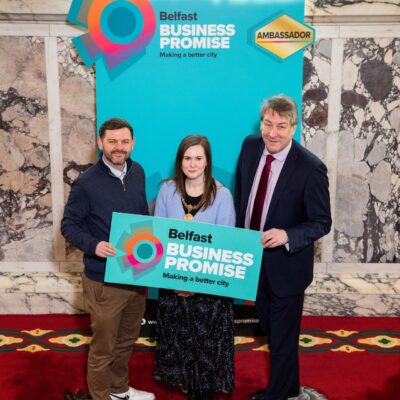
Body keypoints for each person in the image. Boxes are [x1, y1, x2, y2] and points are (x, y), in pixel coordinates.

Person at [234, 95, 332, 400]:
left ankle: (278, 395)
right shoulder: (250, 146)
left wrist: (288, 235)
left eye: (280, 126)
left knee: (282, 339)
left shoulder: (311, 168)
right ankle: (289, 388)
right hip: (253, 263)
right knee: (273, 332)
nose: (272, 132)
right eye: (267, 124)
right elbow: (242, 194)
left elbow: (321, 222)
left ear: (293, 128)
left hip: (286, 268)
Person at [61, 118, 155, 400]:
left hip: (135, 275)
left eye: (124, 142)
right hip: (104, 280)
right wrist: (94, 245)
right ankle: (100, 397)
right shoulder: (86, 184)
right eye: (112, 142)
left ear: (132, 144)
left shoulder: (137, 171)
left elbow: (141, 217)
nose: (119, 148)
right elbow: (68, 225)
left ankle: (119, 390)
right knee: (104, 348)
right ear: (100, 143)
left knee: (126, 341)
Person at [153, 135, 236, 400]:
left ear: (207, 161)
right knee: (182, 354)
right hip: (173, 286)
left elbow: (225, 247)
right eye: (187, 158)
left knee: (206, 358)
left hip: (210, 293)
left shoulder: (222, 195)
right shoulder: (167, 190)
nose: (192, 163)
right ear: (180, 161)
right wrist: (177, 281)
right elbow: (159, 238)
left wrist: (195, 284)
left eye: (198, 158)